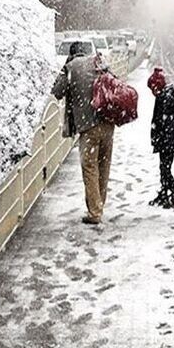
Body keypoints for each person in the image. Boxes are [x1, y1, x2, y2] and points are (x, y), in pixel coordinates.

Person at [52, 44, 114, 225]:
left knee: (90, 168)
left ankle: (95, 212)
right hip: (108, 122)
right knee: (103, 166)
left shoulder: (71, 67)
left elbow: (57, 92)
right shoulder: (97, 62)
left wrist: (65, 69)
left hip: (89, 126)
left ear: (71, 54)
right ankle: (99, 204)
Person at [148, 67, 174, 209]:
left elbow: (165, 123)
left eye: (152, 88)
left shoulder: (165, 99)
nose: (152, 92)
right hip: (167, 140)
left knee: (166, 169)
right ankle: (164, 193)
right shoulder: (164, 97)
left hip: (167, 141)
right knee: (164, 168)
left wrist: (161, 140)